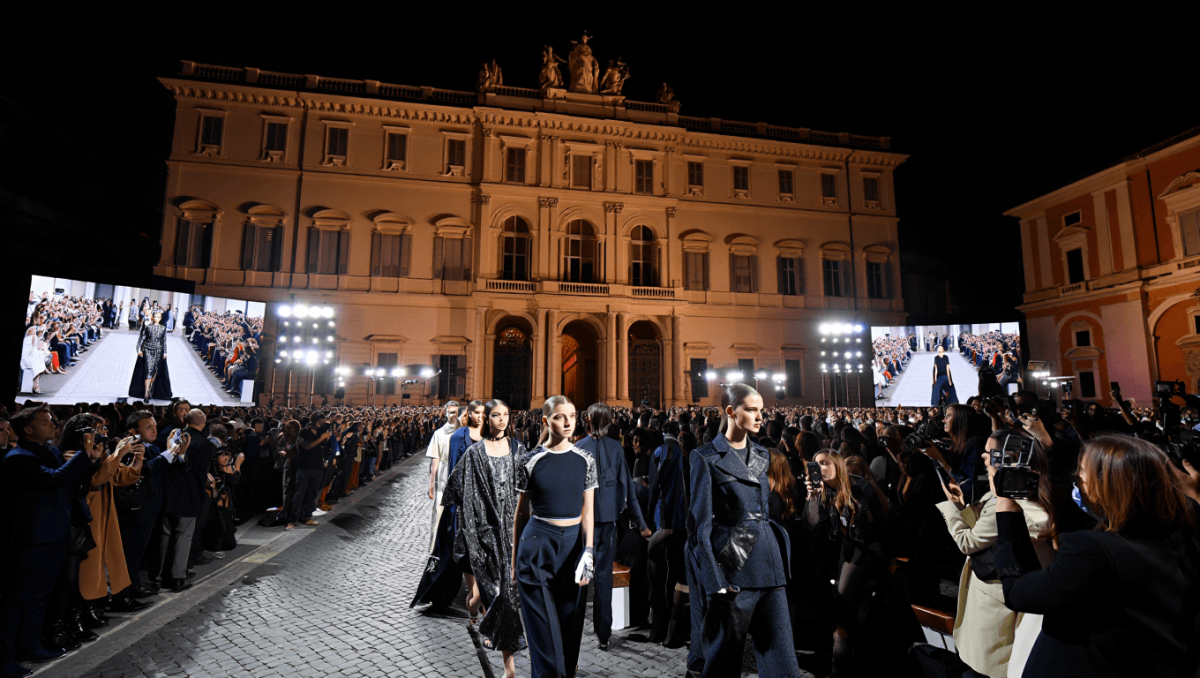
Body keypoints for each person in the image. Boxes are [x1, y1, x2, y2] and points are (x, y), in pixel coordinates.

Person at [993, 434, 1200, 677]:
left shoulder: (1094, 551)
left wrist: (1005, 508)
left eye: (1081, 474)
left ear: (1109, 486)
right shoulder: (1187, 528)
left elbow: (1019, 593)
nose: (1077, 482)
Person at [690, 384, 799, 678]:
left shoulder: (764, 455)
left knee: (783, 664)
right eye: (751, 409)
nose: (760, 416)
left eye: (760, 409)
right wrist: (715, 582)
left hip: (769, 559)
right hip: (733, 565)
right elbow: (700, 528)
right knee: (723, 664)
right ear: (730, 411)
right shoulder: (705, 458)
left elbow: (763, 510)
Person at [934, 429, 1055, 678]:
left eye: (989, 452)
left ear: (1007, 458)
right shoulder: (1011, 491)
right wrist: (964, 507)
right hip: (995, 596)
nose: (982, 456)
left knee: (987, 667)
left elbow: (968, 542)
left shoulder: (1011, 501)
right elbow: (984, 527)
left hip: (995, 605)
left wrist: (950, 510)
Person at [1, 406, 103, 678]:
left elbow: (69, 482)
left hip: (55, 534)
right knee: (17, 601)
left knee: (39, 597)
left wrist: (91, 460)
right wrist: (82, 456)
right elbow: (53, 479)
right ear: (28, 430)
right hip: (31, 539)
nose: (53, 426)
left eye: (52, 421)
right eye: (46, 423)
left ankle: (30, 646)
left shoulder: (52, 452)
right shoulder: (16, 458)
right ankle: (4, 659)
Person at [512, 395, 596, 678]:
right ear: (546, 421)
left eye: (572, 415)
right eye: (560, 416)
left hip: (573, 548)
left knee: (569, 632)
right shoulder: (530, 460)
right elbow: (520, 514)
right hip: (537, 546)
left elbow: (589, 511)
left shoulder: (586, 459)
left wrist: (590, 550)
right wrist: (513, 564)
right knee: (545, 638)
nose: (569, 422)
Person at [442, 399, 526, 678]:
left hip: (513, 537)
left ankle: (508, 667)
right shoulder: (475, 453)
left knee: (507, 598)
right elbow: (457, 490)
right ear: (485, 419)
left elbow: (529, 489)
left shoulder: (518, 449)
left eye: (506, 414)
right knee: (492, 594)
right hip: (486, 537)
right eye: (496, 415)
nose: (502, 419)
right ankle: (474, 600)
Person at [575, 402, 651, 651]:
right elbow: (628, 489)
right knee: (604, 578)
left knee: (580, 576)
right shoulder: (616, 448)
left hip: (583, 522)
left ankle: (573, 628)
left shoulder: (579, 447)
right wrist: (641, 523)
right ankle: (603, 632)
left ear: (587, 421)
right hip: (607, 522)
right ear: (608, 422)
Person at [805, 449, 886, 678]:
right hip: (844, 554)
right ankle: (855, 665)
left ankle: (840, 671)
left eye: (824, 463)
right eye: (815, 464)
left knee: (841, 621)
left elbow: (877, 527)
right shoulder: (823, 491)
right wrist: (813, 498)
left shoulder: (858, 487)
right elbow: (812, 525)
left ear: (837, 465)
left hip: (865, 553)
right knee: (845, 621)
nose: (818, 469)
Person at [288, 413, 332, 530]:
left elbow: (325, 446)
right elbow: (306, 446)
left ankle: (307, 517)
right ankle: (293, 520)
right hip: (304, 467)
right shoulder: (304, 432)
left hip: (318, 467)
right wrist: (322, 438)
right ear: (315, 421)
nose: (322, 424)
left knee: (312, 493)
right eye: (320, 422)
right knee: (299, 494)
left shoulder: (320, 432)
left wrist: (327, 438)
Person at [426, 401, 460, 551]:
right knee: (439, 513)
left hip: (460, 477)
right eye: (451, 412)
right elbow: (435, 459)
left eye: (456, 412)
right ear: (445, 414)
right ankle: (435, 549)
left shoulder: (466, 431)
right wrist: (431, 484)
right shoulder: (439, 433)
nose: (454, 415)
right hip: (443, 477)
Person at [128, 309, 173, 401]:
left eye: (158, 317)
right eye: (155, 316)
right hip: (148, 349)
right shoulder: (148, 326)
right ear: (153, 317)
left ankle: (150, 389)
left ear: (161, 318)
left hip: (158, 350)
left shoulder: (163, 328)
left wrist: (165, 352)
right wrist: (138, 349)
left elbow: (164, 340)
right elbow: (142, 337)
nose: (156, 318)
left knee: (155, 370)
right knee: (148, 370)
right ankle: (146, 393)